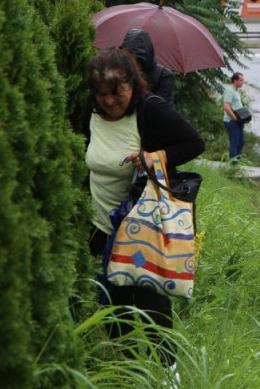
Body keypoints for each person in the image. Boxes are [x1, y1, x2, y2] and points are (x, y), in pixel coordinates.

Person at [85, 47, 204, 362]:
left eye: (117, 93)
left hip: (144, 227)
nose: (109, 101)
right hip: (104, 228)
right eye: (102, 94)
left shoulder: (149, 110)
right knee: (114, 308)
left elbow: (194, 142)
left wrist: (155, 157)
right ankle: (129, 371)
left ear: (133, 85)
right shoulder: (93, 115)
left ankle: (168, 373)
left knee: (152, 305)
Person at [121, 28, 175, 104]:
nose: (132, 65)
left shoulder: (163, 75)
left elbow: (163, 110)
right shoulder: (120, 72)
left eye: (136, 60)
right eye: (128, 59)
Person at [222, 72, 246, 162]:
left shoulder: (235, 91)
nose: (243, 82)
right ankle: (233, 166)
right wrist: (234, 117)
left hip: (238, 121)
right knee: (235, 143)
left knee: (241, 142)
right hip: (231, 121)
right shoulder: (230, 90)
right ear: (235, 80)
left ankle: (237, 163)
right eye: (241, 80)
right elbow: (226, 106)